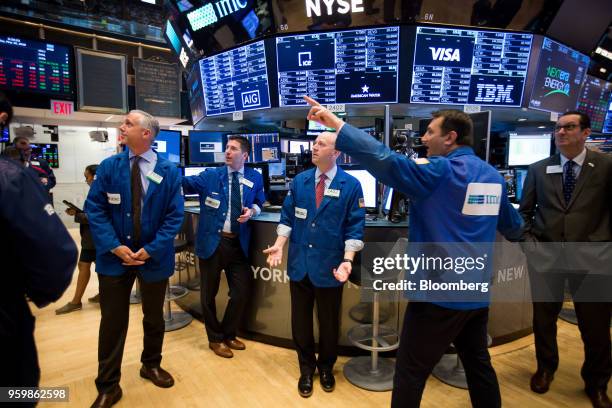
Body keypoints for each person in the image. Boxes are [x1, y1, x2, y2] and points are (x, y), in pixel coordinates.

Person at [303, 96, 523, 407]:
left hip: (439, 296)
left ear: (450, 137)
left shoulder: (440, 171)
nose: (423, 138)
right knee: (478, 365)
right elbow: (513, 227)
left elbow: (386, 161)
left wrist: (338, 125)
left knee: (409, 372)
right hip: (475, 291)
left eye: (430, 132)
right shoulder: (492, 176)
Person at [86, 110, 184, 408]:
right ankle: (108, 385)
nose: (121, 126)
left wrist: (152, 248)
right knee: (113, 321)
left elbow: (174, 215)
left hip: (153, 257)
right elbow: (96, 209)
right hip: (115, 257)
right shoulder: (109, 167)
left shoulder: (169, 171)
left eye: (128, 123)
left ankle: (150, 364)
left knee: (154, 317)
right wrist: (114, 246)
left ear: (147, 134)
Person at [518, 111, 612, 408]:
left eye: (569, 127)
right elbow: (524, 213)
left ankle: (596, 383)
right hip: (546, 258)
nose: (561, 132)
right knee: (544, 321)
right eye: (557, 128)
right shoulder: (538, 169)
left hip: (594, 260)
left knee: (595, 327)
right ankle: (546, 368)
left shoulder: (606, 167)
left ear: (585, 133)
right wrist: (530, 246)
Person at [264, 131, 365, 398]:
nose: (314, 147)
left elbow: (355, 229)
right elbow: (287, 219)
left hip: (331, 267)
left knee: (329, 323)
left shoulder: (351, 185)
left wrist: (347, 261)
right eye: (315, 143)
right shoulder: (300, 181)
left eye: (321, 144)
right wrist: (279, 244)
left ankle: (327, 368)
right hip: (300, 265)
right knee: (300, 322)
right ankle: (306, 369)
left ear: (336, 152)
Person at [0, 92, 78, 394]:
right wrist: (36, 292)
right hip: (5, 318)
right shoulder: (12, 177)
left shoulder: (34, 168)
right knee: (15, 394)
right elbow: (56, 253)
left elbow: (51, 182)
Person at [182, 135, 265, 358]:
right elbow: (183, 182)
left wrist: (253, 211)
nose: (228, 152)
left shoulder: (255, 177)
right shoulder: (210, 176)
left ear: (245, 155)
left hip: (238, 244)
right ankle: (214, 338)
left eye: (233, 149)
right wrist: (155, 169)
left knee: (240, 292)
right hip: (213, 242)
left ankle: (228, 333)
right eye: (227, 148)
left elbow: (260, 200)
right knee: (208, 295)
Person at [56, 164, 100, 314]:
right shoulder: (95, 190)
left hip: (95, 237)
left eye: (86, 176)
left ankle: (76, 302)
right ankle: (101, 295)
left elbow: (97, 217)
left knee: (84, 265)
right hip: (91, 237)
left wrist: (78, 215)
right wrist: (77, 212)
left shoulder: (100, 191)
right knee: (91, 266)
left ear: (94, 176)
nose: (85, 180)